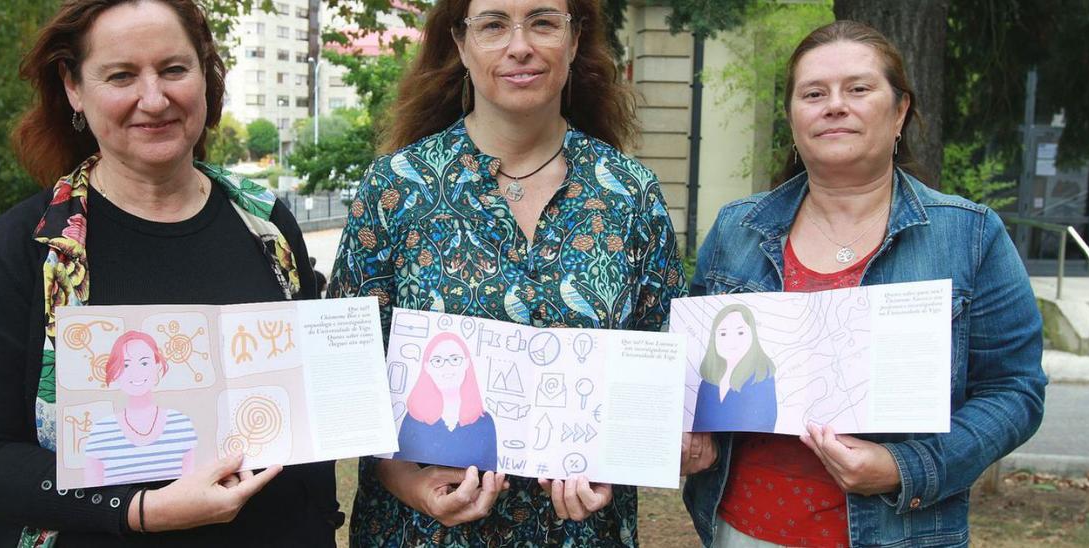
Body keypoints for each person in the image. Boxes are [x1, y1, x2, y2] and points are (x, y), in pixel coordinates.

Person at [0, 1, 340, 545]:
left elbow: (307, 412)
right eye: (121, 75)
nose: (154, 99)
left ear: (204, 75)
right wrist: (138, 509)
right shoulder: (30, 247)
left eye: (174, 69)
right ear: (74, 88)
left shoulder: (266, 224)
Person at [329, 0, 687, 543]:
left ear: (572, 40)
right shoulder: (395, 188)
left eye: (543, 22)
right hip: (424, 531)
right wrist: (407, 481)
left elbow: (662, 368)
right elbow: (346, 378)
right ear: (460, 43)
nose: (520, 44)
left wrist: (616, 459)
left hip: (582, 531)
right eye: (494, 24)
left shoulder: (629, 193)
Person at [680, 21, 1046, 547]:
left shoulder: (969, 235)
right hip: (742, 531)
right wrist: (693, 430)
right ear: (793, 117)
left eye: (858, 89)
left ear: (900, 112)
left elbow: (1016, 390)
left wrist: (907, 466)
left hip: (899, 533)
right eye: (813, 93)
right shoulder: (736, 230)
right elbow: (697, 377)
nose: (834, 105)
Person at [82, 331, 198, 487]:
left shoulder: (181, 424)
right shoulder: (101, 430)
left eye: (144, 363)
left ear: (157, 368)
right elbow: (92, 489)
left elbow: (193, 487)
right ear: (115, 372)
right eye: (126, 364)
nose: (135, 372)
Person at [394, 332, 498, 471]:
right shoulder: (414, 418)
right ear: (427, 367)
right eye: (437, 361)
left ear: (466, 363)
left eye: (455, 359)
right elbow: (398, 468)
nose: (447, 367)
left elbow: (490, 470)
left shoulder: (485, 421)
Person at [692, 304, 777, 433]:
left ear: (752, 335)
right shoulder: (707, 383)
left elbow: (763, 426)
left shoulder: (761, 377)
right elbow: (696, 427)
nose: (731, 340)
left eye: (740, 332)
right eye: (723, 333)